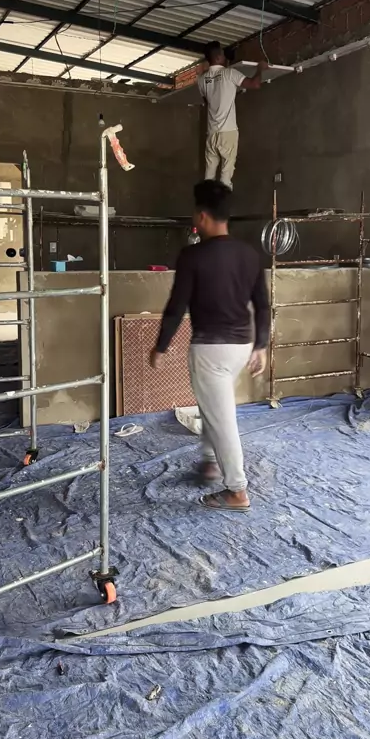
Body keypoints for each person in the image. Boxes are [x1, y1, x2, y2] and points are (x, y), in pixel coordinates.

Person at [150, 180, 270, 512]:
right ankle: (210, 461)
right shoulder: (249, 255)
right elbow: (263, 306)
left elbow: (177, 306)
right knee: (213, 406)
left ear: (202, 216)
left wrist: (161, 346)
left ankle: (237, 490)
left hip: (210, 350)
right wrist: (261, 345)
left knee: (222, 419)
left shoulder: (193, 256)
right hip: (241, 346)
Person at [198, 41, 265, 189]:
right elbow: (254, 84)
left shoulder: (202, 80)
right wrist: (260, 69)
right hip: (227, 132)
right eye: (222, 54)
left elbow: (208, 101)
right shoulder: (229, 73)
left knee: (209, 176)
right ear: (218, 57)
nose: (225, 56)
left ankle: (207, 201)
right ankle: (223, 200)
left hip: (212, 133)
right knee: (226, 175)